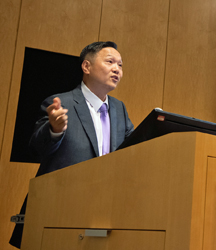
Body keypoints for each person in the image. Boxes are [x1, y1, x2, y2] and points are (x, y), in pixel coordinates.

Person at [9, 41, 134, 248]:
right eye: (110, 62)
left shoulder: (119, 109)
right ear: (86, 67)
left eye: (120, 65)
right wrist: (55, 130)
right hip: (59, 209)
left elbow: (133, 146)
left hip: (102, 212)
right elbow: (36, 149)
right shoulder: (60, 103)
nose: (117, 69)